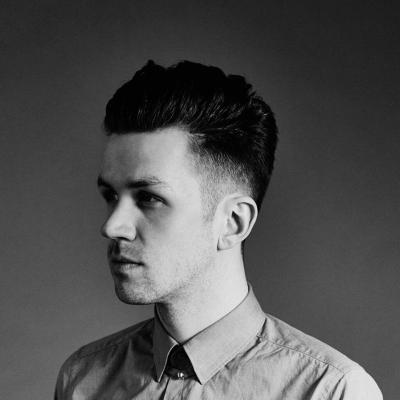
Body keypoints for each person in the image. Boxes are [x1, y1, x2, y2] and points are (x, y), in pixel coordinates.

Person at [54, 60, 382, 399]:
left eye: (149, 198)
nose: (112, 226)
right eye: (110, 196)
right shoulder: (82, 379)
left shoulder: (330, 390)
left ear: (233, 222)